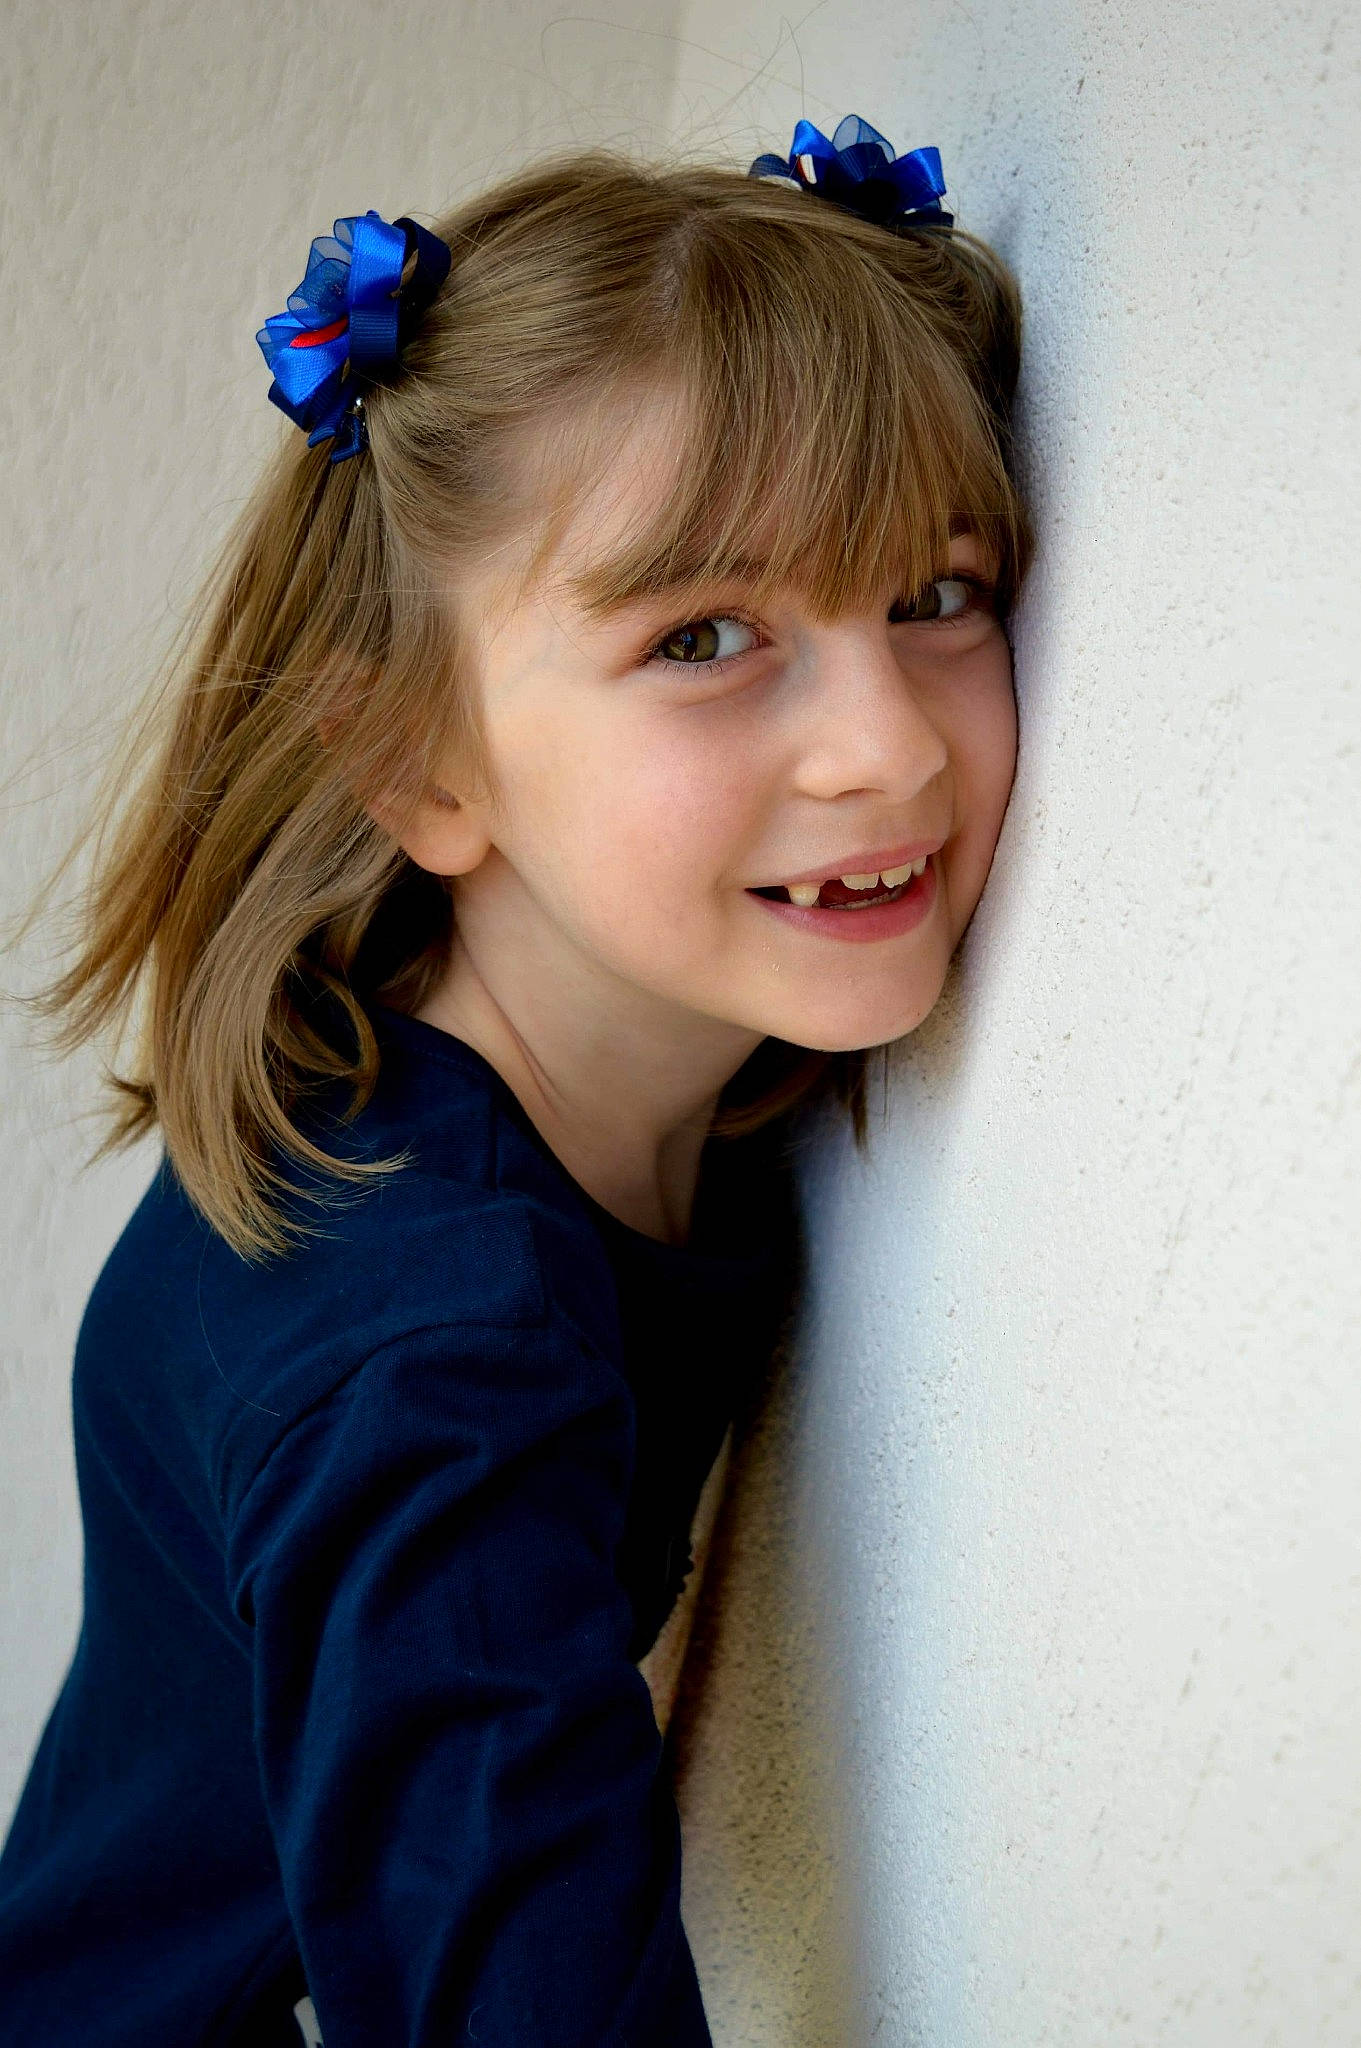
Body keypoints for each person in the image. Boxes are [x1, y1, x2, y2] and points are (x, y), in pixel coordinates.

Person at [0, 117, 1032, 2046]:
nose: (884, 746)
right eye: (705, 638)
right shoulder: (431, 1361)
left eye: (936, 593)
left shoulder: (629, 1072)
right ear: (414, 765)